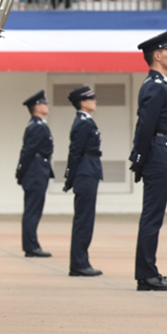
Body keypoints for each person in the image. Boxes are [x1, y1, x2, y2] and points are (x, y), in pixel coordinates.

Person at [130, 32, 167, 291]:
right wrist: (139, 159)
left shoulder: (159, 83)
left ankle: (147, 271)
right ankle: (147, 274)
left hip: (161, 152)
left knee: (153, 216)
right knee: (152, 217)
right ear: (157, 55)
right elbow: (146, 126)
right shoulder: (155, 85)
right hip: (157, 154)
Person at [63, 86, 103, 277]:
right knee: (83, 220)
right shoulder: (82, 123)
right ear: (83, 103)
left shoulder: (86, 121)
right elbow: (75, 151)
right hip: (85, 173)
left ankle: (81, 261)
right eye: (91, 98)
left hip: (89, 172)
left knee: (86, 220)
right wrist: (70, 176)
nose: (95, 101)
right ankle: (79, 263)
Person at [16, 90, 53, 257]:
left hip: (37, 170)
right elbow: (28, 151)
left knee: (34, 209)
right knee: (33, 210)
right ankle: (31, 246)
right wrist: (21, 171)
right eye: (44, 103)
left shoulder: (38, 125)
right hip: (35, 171)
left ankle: (32, 244)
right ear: (37, 107)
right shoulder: (37, 127)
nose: (47, 106)